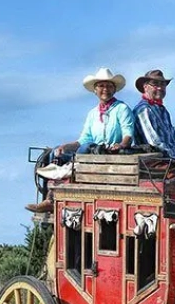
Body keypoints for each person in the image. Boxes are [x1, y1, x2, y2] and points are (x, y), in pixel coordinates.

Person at [25, 67, 135, 212]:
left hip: (109, 153)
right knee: (53, 152)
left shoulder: (122, 109)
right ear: (95, 90)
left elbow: (128, 133)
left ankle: (62, 174)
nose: (105, 89)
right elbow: (83, 139)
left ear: (114, 90)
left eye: (109, 86)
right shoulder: (93, 114)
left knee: (84, 150)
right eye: (101, 86)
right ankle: (50, 197)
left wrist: (121, 145)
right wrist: (65, 146)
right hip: (90, 151)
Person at [132, 69, 175, 158]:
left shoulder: (163, 110)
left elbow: (174, 138)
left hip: (173, 158)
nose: (160, 88)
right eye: (155, 84)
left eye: (162, 84)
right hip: (157, 161)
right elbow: (154, 143)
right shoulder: (144, 110)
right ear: (145, 87)